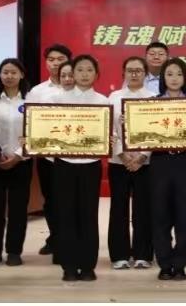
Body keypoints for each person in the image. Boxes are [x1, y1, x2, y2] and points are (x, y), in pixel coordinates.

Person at [50, 55, 105, 282]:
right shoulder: (58, 99)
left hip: (91, 165)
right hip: (64, 164)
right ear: (72, 73)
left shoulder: (103, 101)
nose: (84, 74)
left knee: (88, 215)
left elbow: (110, 132)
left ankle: (88, 265)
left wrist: (109, 139)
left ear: (96, 74)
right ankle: (69, 266)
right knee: (66, 214)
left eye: (89, 70)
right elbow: (48, 129)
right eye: (80, 69)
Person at [150, 58, 186, 281]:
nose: (174, 78)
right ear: (163, 78)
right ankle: (164, 262)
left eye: (179, 74)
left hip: (185, 163)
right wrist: (130, 122)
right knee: (160, 214)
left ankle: (180, 263)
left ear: (185, 78)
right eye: (169, 74)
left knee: (185, 214)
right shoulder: (150, 105)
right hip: (159, 163)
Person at [0, 58, 32, 267]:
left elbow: (34, 130)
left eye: (13, 72)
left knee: (18, 209)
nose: (9, 76)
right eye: (5, 72)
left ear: (21, 75)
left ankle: (14, 251)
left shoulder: (30, 98)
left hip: (22, 161)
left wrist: (18, 155)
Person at [107, 57, 155, 270]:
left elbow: (156, 131)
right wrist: (122, 155)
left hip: (146, 163)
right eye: (130, 70)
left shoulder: (153, 98)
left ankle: (143, 254)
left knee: (143, 209)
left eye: (138, 70)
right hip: (119, 162)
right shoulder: (114, 97)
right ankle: (120, 255)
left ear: (145, 74)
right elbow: (109, 128)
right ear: (123, 73)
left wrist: (143, 156)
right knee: (119, 209)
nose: (134, 74)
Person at [25, 43, 72, 260]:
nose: (55, 63)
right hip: (48, 156)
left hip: (74, 156)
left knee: (70, 200)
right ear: (46, 63)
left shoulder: (77, 88)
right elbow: (29, 121)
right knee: (51, 200)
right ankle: (55, 238)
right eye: (51, 59)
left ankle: (69, 239)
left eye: (60, 59)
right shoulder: (37, 91)